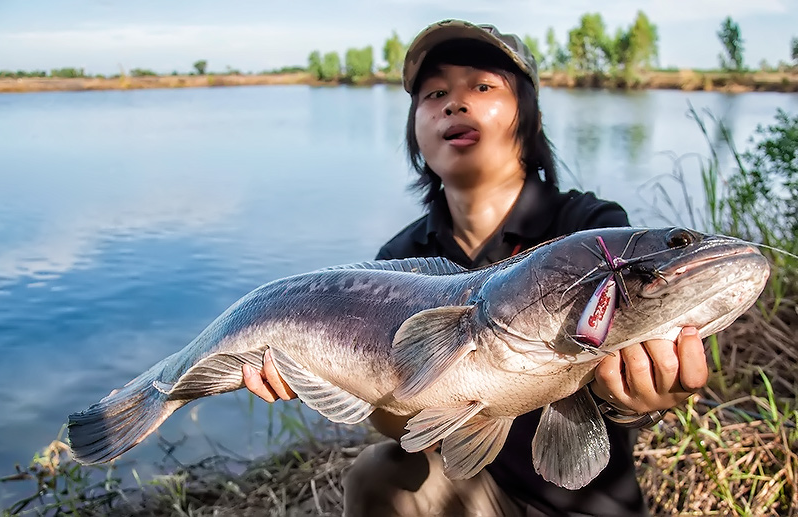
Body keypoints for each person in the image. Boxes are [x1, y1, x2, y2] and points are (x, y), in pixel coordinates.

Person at [242, 19, 709, 517]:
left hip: (587, 506)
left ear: (529, 116)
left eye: (482, 86)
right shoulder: (396, 263)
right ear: (415, 129)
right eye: (434, 92)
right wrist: (326, 377)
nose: (455, 102)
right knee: (379, 474)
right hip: (479, 494)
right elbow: (403, 425)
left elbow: (625, 359)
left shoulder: (592, 229)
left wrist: (641, 397)